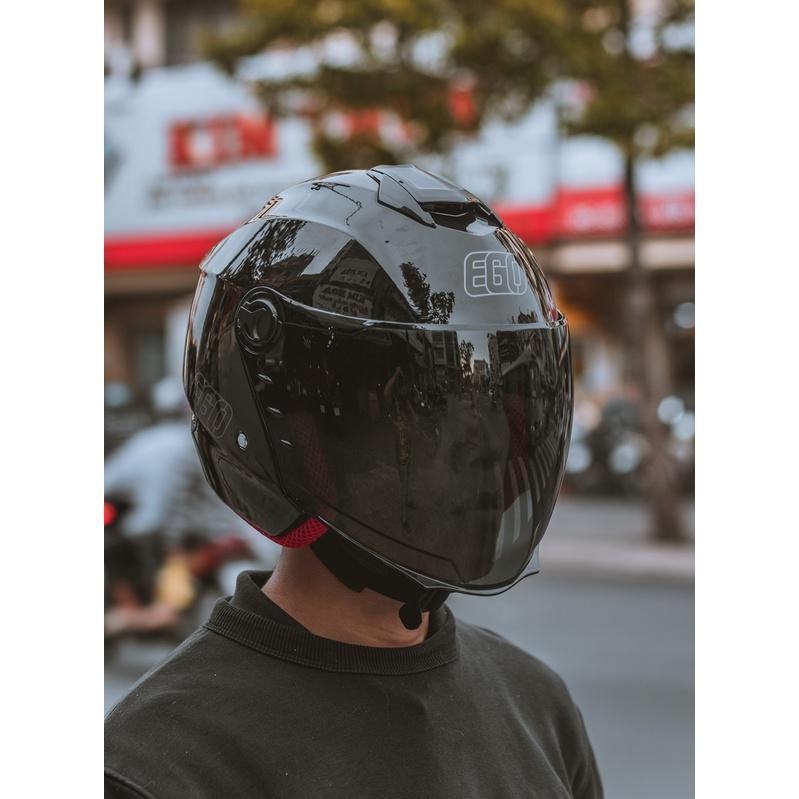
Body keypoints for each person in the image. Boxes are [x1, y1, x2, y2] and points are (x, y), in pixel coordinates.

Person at [105, 165, 602, 798]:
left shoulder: (538, 704)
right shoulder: (155, 765)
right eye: (428, 417)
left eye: (502, 417)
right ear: (300, 433)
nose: (485, 457)